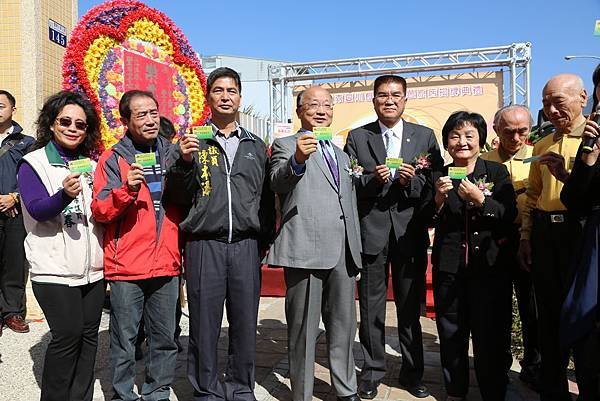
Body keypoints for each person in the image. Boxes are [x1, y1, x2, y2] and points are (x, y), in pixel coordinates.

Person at [166, 67, 275, 401]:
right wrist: (184, 163)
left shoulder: (256, 146)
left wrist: (263, 240)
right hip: (204, 245)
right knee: (203, 323)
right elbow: (176, 197)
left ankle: (241, 386)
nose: (226, 96)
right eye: (218, 90)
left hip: (245, 245)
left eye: (232, 90)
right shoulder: (191, 143)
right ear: (208, 96)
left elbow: (267, 198)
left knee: (244, 323)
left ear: (240, 97)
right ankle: (206, 389)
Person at [344, 75, 442, 399]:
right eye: (382, 95)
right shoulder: (358, 137)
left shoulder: (424, 137)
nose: (389, 100)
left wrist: (407, 182)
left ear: (405, 99)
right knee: (371, 308)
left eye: (395, 95)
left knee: (409, 307)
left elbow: (432, 186)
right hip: (371, 233)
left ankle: (412, 373)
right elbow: (350, 184)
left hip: (409, 233)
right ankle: (372, 372)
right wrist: (374, 180)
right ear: (373, 100)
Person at [267, 85, 362, 401]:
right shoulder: (284, 145)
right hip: (305, 248)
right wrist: (296, 159)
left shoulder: (341, 152)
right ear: (299, 111)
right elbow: (278, 182)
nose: (322, 110)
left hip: (343, 251)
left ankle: (346, 389)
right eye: (314, 104)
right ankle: (303, 394)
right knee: (304, 330)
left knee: (344, 327)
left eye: (327, 105)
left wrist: (355, 249)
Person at [91, 90, 184, 401]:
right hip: (126, 266)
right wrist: (126, 190)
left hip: (166, 262)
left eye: (154, 113)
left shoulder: (172, 153)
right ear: (126, 121)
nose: (150, 120)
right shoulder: (113, 158)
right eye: (142, 115)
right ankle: (121, 394)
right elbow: (100, 209)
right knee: (124, 340)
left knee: (164, 338)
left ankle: (157, 391)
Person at [17, 90, 105, 401]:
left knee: (89, 337)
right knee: (67, 337)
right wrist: (63, 195)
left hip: (93, 271)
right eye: (65, 121)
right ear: (51, 124)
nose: (72, 128)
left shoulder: (92, 165)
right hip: (53, 270)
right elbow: (37, 209)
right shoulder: (33, 163)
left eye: (80, 124)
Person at [427, 111, 517, 401]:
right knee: (451, 333)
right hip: (450, 268)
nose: (462, 142)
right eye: (455, 136)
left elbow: (508, 215)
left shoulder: (496, 173)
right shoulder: (438, 176)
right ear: (446, 143)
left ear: (481, 140)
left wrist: (482, 201)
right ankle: (455, 391)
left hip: (489, 268)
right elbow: (425, 219)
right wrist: (438, 201)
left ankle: (493, 391)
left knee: (490, 335)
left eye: (469, 136)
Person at [518, 74, 589, 401]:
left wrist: (568, 175)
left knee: (585, 318)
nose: (550, 110)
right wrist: (527, 237)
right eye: (545, 103)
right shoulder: (542, 144)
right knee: (547, 317)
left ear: (582, 98)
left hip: (582, 234)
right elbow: (532, 195)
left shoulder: (594, 141)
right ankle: (553, 390)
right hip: (546, 235)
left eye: (558, 101)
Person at [481, 104, 541, 388]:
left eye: (522, 131)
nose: (516, 138)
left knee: (532, 309)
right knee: (497, 308)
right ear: (496, 130)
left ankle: (533, 366)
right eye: (508, 132)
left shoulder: (540, 155)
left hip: (531, 240)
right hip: (497, 242)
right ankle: (499, 366)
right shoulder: (484, 161)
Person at [559, 64, 600, 401]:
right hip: (594, 242)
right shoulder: (593, 142)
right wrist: (585, 162)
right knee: (587, 328)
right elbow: (574, 200)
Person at [0, 90, 34, 335]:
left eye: (1, 105)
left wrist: (14, 197)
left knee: (15, 262)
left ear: (13, 110)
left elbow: (33, 178)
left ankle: (12, 312)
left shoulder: (27, 142)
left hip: (14, 212)